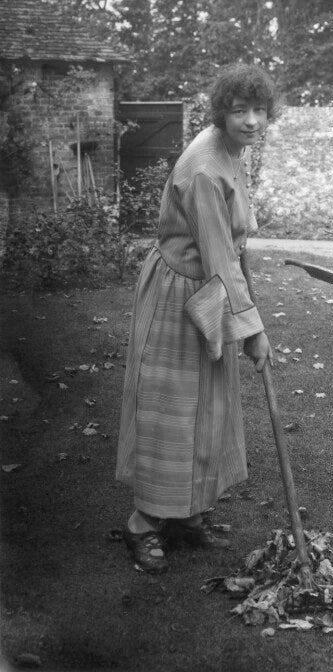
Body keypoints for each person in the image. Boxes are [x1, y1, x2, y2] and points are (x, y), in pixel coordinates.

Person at [116, 63, 278, 573]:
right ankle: (142, 525)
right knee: (172, 412)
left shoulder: (232, 150)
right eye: (240, 111)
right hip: (181, 292)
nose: (252, 121)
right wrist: (252, 330)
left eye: (259, 111)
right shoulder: (205, 167)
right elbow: (217, 257)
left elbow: (231, 247)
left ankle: (185, 516)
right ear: (221, 112)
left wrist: (245, 311)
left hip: (208, 286)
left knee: (207, 406)